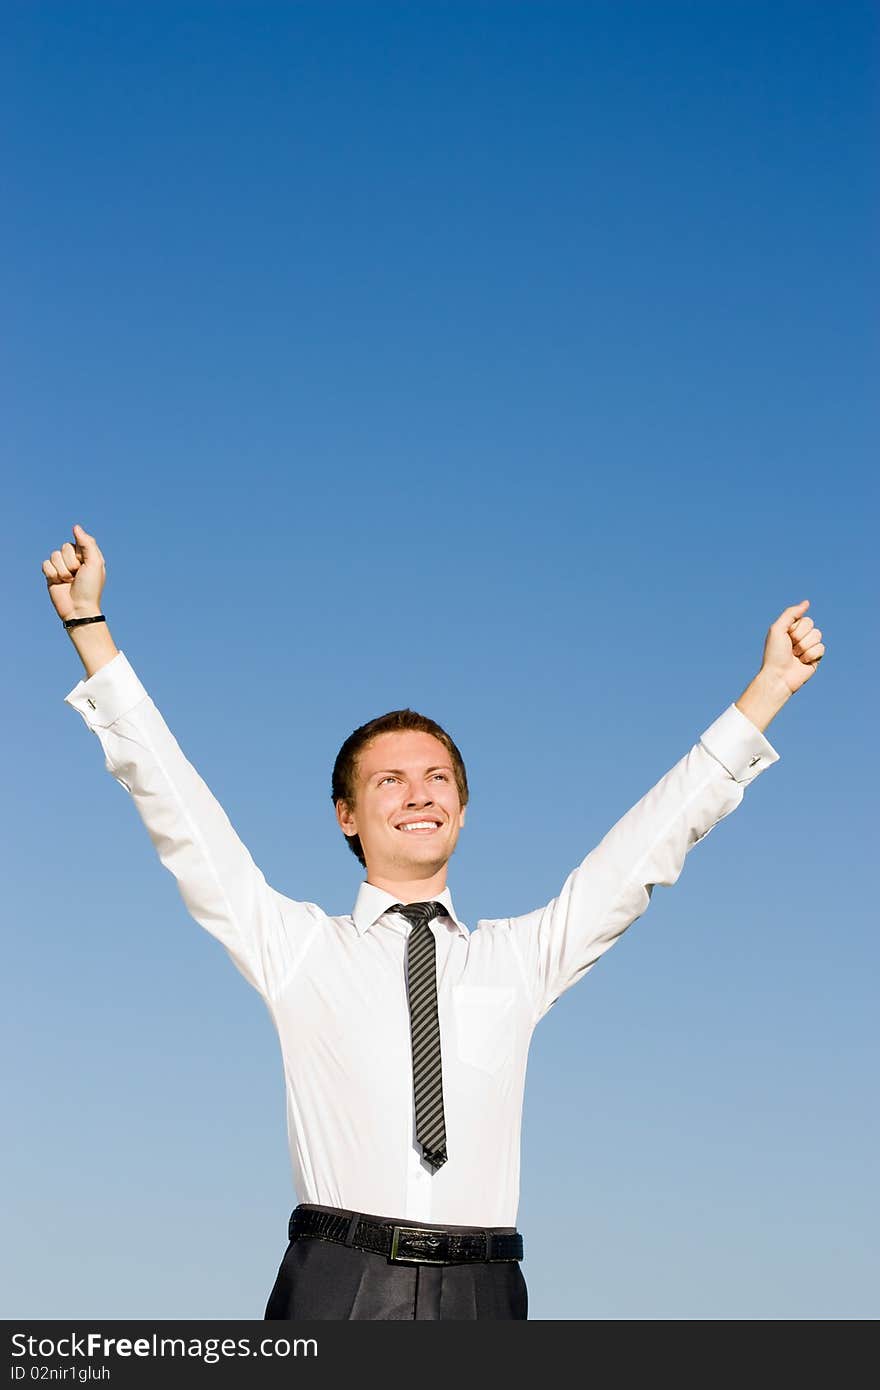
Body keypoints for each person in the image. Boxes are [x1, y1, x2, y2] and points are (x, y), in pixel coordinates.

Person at [43, 523, 826, 1321]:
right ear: (347, 816)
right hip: (338, 1283)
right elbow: (178, 807)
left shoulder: (519, 958)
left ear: (462, 807)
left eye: (437, 777)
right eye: (390, 781)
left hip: (486, 1291)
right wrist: (88, 628)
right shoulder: (297, 948)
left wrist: (766, 692)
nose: (418, 794)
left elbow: (645, 850)